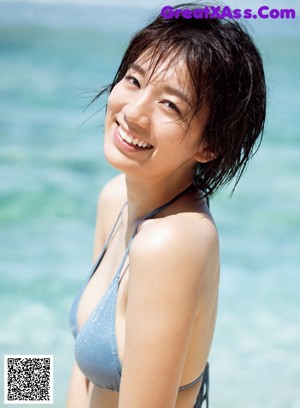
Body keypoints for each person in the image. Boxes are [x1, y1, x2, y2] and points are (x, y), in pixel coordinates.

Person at [67, 3, 266, 407]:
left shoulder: (172, 244)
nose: (134, 113)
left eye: (170, 105)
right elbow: (83, 361)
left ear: (210, 145)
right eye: (135, 80)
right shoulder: (117, 198)